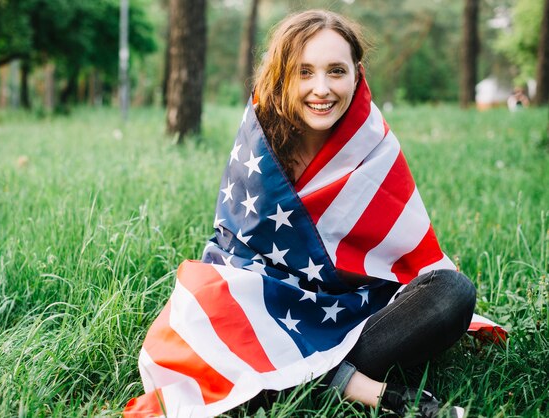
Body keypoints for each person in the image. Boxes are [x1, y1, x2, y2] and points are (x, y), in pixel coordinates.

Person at [124, 10, 504, 418]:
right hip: (267, 309)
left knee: (453, 294)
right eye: (304, 72)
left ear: (357, 75)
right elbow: (236, 252)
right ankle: (369, 391)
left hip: (354, 311)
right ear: (283, 75)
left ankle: (295, 378)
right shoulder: (261, 139)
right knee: (206, 301)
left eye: (336, 71)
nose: (321, 89)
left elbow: (406, 259)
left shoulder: (373, 146)